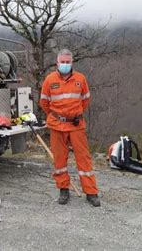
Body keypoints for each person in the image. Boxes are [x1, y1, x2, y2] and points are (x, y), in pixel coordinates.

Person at [39, 49, 100, 207]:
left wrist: (74, 114)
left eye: (68, 62)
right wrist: (58, 116)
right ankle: (63, 190)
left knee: (83, 158)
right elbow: (44, 103)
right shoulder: (49, 80)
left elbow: (85, 100)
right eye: (62, 62)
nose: (65, 65)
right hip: (57, 125)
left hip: (76, 125)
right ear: (57, 63)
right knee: (59, 159)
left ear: (71, 63)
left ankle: (91, 192)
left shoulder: (80, 79)